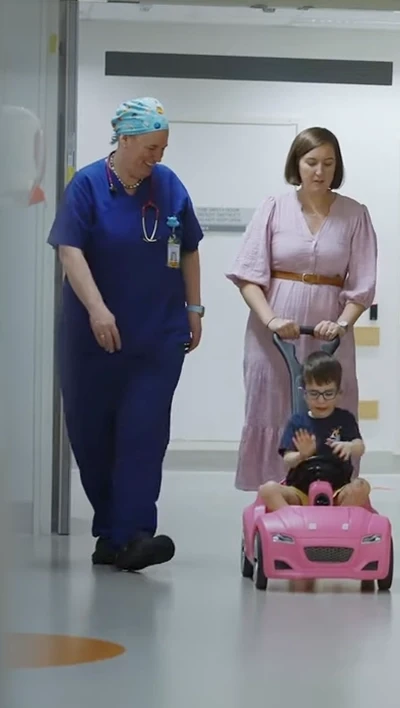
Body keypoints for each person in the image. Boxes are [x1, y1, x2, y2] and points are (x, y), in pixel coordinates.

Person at [47, 96, 204, 571]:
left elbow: (190, 248)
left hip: (157, 335)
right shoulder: (88, 185)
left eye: (163, 148)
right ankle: (111, 534)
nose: (156, 157)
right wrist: (97, 310)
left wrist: (194, 309)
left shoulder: (169, 186)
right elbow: (69, 251)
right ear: (126, 138)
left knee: (143, 435)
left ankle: (135, 534)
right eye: (150, 147)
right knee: (92, 436)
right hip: (91, 339)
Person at [226, 127, 378, 492]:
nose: (319, 171)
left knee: (329, 407)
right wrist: (272, 320)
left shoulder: (355, 214)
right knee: (272, 409)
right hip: (274, 335)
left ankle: (331, 492)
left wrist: (341, 324)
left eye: (328, 163)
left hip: (330, 338)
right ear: (297, 164)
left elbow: (362, 287)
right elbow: (248, 276)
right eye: (311, 162)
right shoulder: (274, 208)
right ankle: (272, 497)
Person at [258, 352, 371, 512]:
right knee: (268, 489)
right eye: (314, 393)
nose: (321, 400)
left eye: (328, 393)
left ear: (339, 394)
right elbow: (287, 460)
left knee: (362, 487)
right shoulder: (297, 422)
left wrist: (350, 447)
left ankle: (338, 519)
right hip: (300, 492)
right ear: (304, 394)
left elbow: (360, 447)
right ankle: (292, 522)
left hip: (337, 491)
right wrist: (302, 455)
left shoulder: (345, 419)